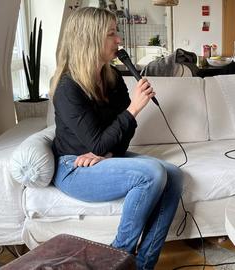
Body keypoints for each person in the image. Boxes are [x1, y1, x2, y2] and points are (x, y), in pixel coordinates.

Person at [49, 7, 183, 270]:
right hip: (73, 167)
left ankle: (142, 265)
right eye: (111, 34)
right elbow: (99, 141)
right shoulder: (67, 88)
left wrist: (107, 154)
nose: (119, 40)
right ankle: (116, 259)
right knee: (152, 173)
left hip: (103, 158)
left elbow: (119, 139)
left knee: (175, 175)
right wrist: (133, 108)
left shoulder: (112, 80)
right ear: (90, 38)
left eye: (117, 32)